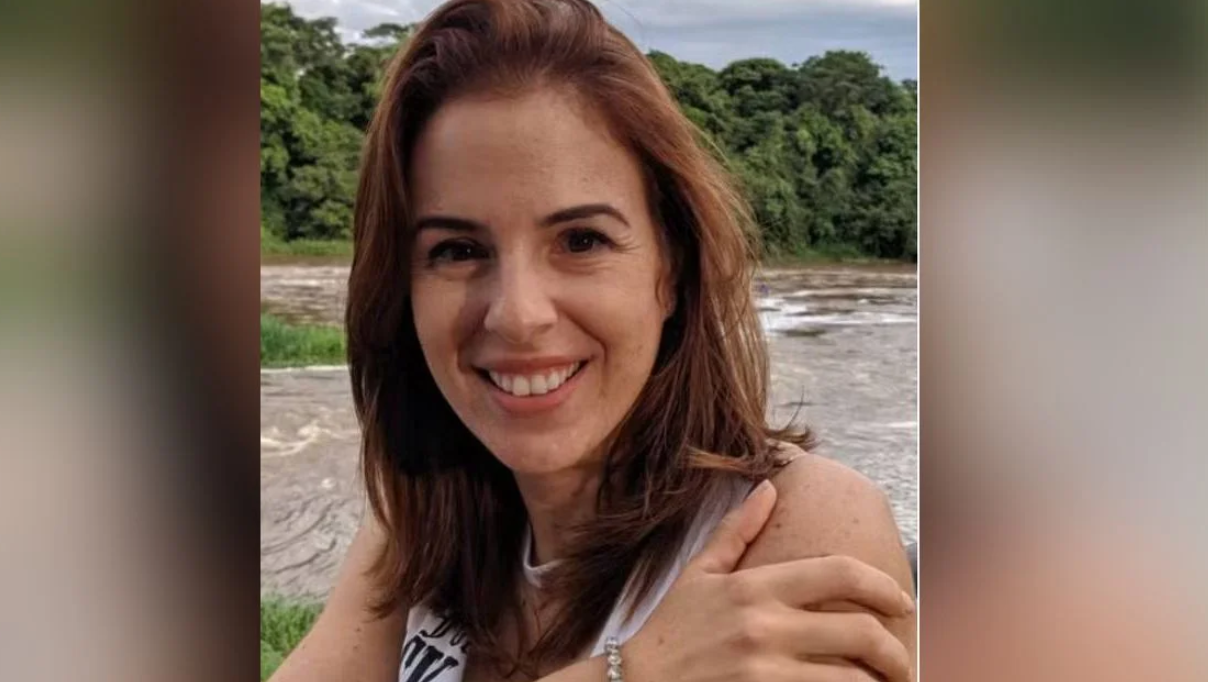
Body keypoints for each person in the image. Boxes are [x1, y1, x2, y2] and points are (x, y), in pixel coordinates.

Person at [271, 1, 915, 680]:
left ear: (671, 270)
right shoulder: (420, 532)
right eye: (457, 250)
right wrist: (629, 671)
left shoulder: (797, 524)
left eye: (581, 241)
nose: (517, 315)